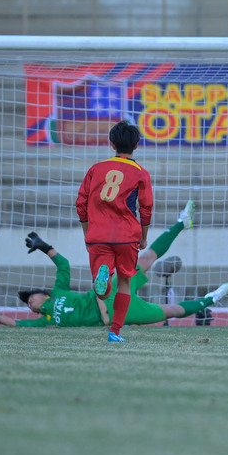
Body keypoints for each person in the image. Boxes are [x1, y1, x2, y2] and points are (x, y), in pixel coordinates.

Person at [0, 201, 228, 328]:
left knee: (144, 259)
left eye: (31, 296)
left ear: (45, 293)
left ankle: (181, 223)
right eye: (28, 303)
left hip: (106, 294)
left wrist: (44, 247)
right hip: (111, 314)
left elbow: (63, 266)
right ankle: (211, 299)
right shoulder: (48, 321)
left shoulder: (61, 293)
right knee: (171, 311)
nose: (30, 301)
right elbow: (17, 325)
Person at [76, 121, 153, 343]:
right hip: (127, 235)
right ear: (136, 146)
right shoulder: (141, 173)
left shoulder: (96, 169)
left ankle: (104, 276)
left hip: (98, 235)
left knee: (102, 292)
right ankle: (115, 332)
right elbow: (146, 207)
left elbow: (80, 203)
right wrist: (144, 237)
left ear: (112, 144)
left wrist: (87, 232)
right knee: (125, 283)